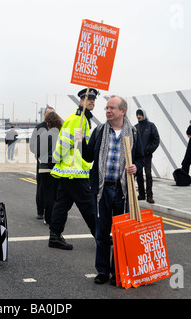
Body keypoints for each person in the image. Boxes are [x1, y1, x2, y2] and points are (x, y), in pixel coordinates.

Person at [81, 95, 144, 285]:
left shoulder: (132, 133)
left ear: (122, 111)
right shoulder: (100, 130)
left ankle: (118, 271)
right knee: (101, 233)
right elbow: (89, 157)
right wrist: (81, 142)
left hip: (122, 192)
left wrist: (136, 167)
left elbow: (140, 158)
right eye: (107, 108)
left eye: (112, 108)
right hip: (102, 190)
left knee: (120, 234)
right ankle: (102, 271)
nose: (108, 111)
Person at [48, 88, 98, 250]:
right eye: (88, 98)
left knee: (62, 204)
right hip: (74, 172)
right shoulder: (79, 119)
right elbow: (64, 144)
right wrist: (57, 159)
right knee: (87, 205)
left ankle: (54, 236)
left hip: (70, 171)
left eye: (93, 99)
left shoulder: (81, 118)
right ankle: (100, 235)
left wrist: (57, 161)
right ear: (81, 101)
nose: (91, 101)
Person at [29, 106, 55, 220]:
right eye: (49, 114)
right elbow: (32, 145)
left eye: (53, 114)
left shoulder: (58, 127)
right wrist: (39, 155)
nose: (51, 116)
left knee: (54, 189)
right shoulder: (39, 127)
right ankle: (40, 211)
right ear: (44, 115)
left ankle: (51, 211)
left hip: (55, 163)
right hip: (42, 162)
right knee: (41, 188)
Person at [38, 111, 63, 225]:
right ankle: (56, 217)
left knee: (47, 194)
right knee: (57, 194)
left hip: (44, 168)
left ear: (48, 122)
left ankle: (48, 218)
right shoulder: (61, 134)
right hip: (57, 167)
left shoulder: (44, 134)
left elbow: (38, 151)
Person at [135, 109, 160, 203]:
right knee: (139, 174)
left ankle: (149, 195)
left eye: (140, 114)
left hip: (147, 155)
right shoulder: (135, 127)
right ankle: (141, 194)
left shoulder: (151, 126)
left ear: (144, 115)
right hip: (138, 156)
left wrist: (148, 150)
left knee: (148, 174)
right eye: (137, 114)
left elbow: (156, 140)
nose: (138, 116)